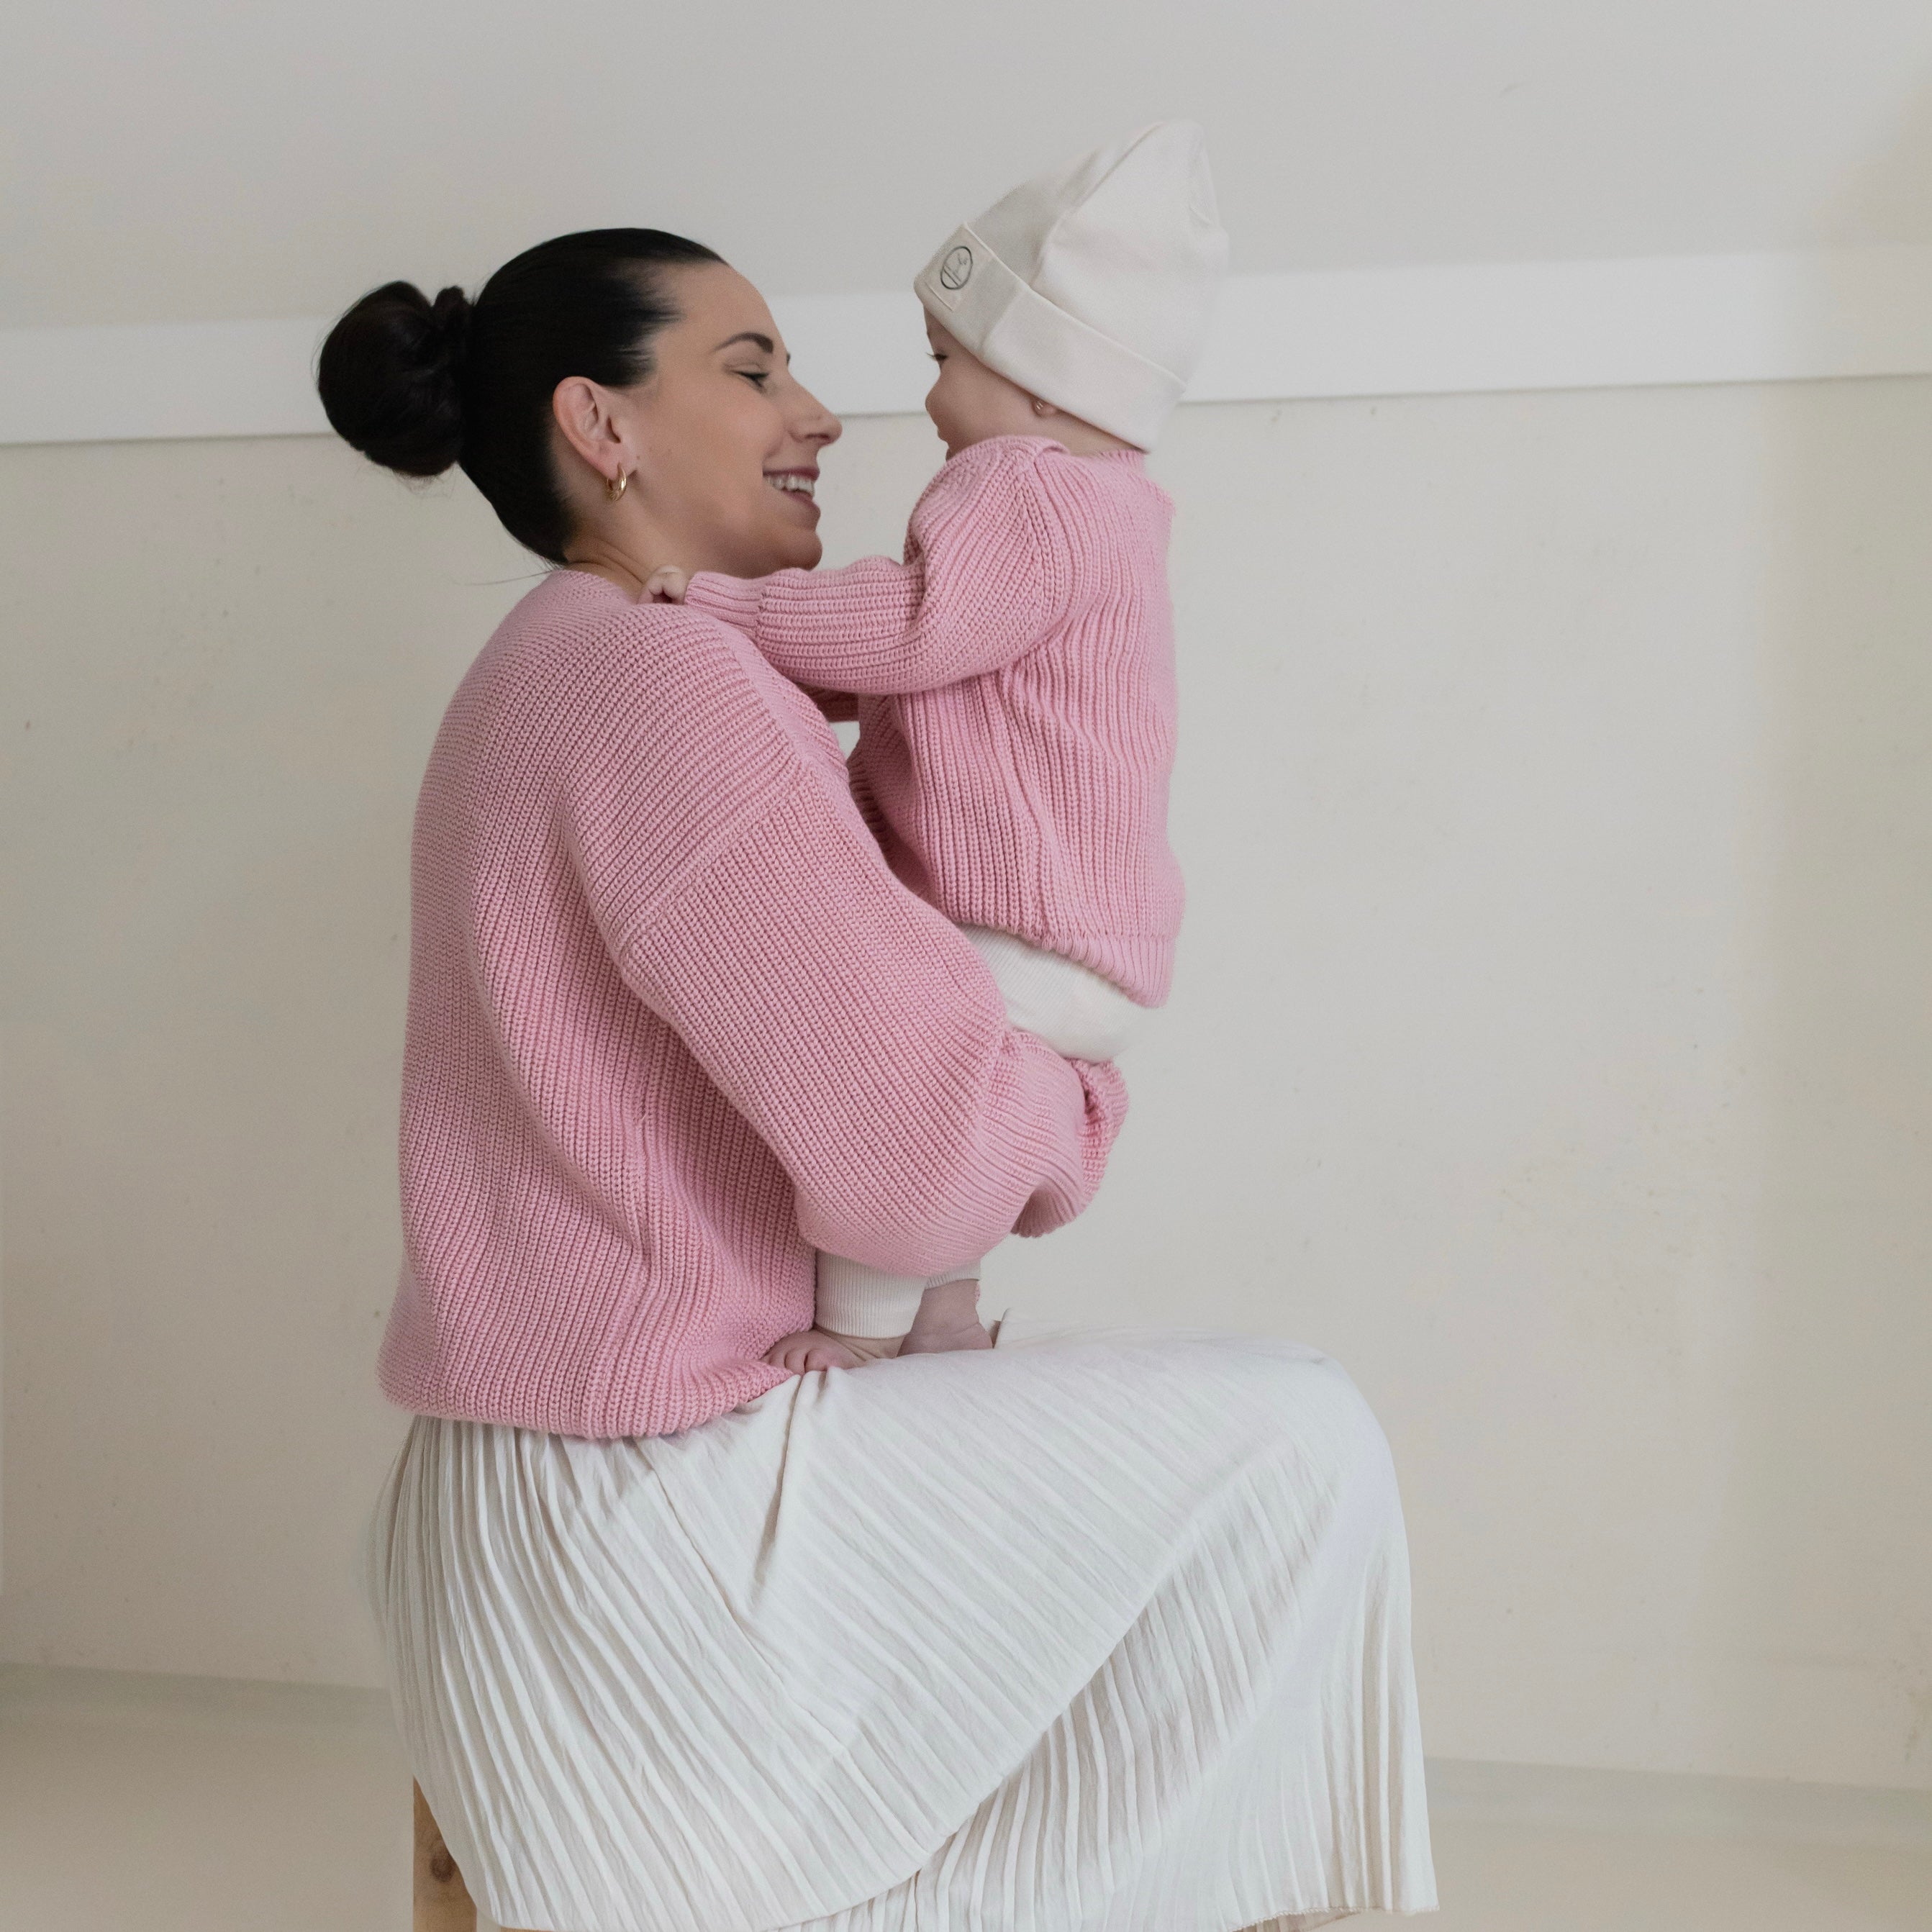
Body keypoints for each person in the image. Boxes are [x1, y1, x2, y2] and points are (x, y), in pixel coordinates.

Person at [321, 222, 1436, 1932]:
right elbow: (921, 1159)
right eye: (751, 368)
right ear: (599, 426)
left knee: (1237, 1434)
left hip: (522, 1487)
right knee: (1296, 1436)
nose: (821, 413)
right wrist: (1073, 1099)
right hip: (643, 1514)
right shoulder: (660, 680)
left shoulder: (552, 657)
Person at [649, 123, 1223, 1374]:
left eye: (943, 360)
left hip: (1023, 922)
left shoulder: (1023, 486)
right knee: (958, 1104)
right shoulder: (1113, 509)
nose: (928, 398)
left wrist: (727, 610)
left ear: (1039, 383)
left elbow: (908, 629)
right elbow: (937, 673)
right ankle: (945, 1314)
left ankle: (856, 1329)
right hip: (1085, 938)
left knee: (890, 1090)